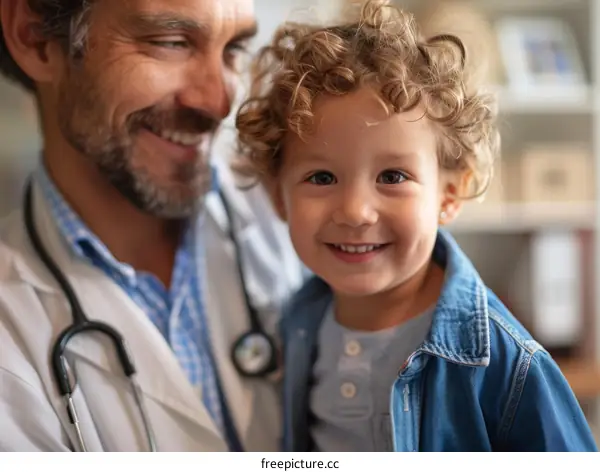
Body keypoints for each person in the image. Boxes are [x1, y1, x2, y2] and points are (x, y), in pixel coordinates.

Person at [235, 0, 598, 452]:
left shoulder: (506, 363)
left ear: (449, 194)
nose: (355, 212)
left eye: (392, 177)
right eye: (321, 178)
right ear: (278, 196)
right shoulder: (297, 324)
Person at [0, 0, 305, 452]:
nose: (219, 102)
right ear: (36, 37)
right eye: (171, 42)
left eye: (233, 48)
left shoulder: (313, 217)